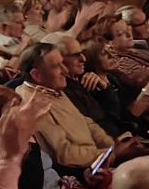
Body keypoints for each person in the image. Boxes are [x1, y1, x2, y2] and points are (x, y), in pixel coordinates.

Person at [16, 42, 113, 173]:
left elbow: (85, 122)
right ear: (36, 75)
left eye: (62, 63)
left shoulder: (51, 87)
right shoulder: (31, 105)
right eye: (57, 66)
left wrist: (111, 146)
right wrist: (106, 154)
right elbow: (64, 154)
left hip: (99, 159)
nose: (65, 71)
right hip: (84, 172)